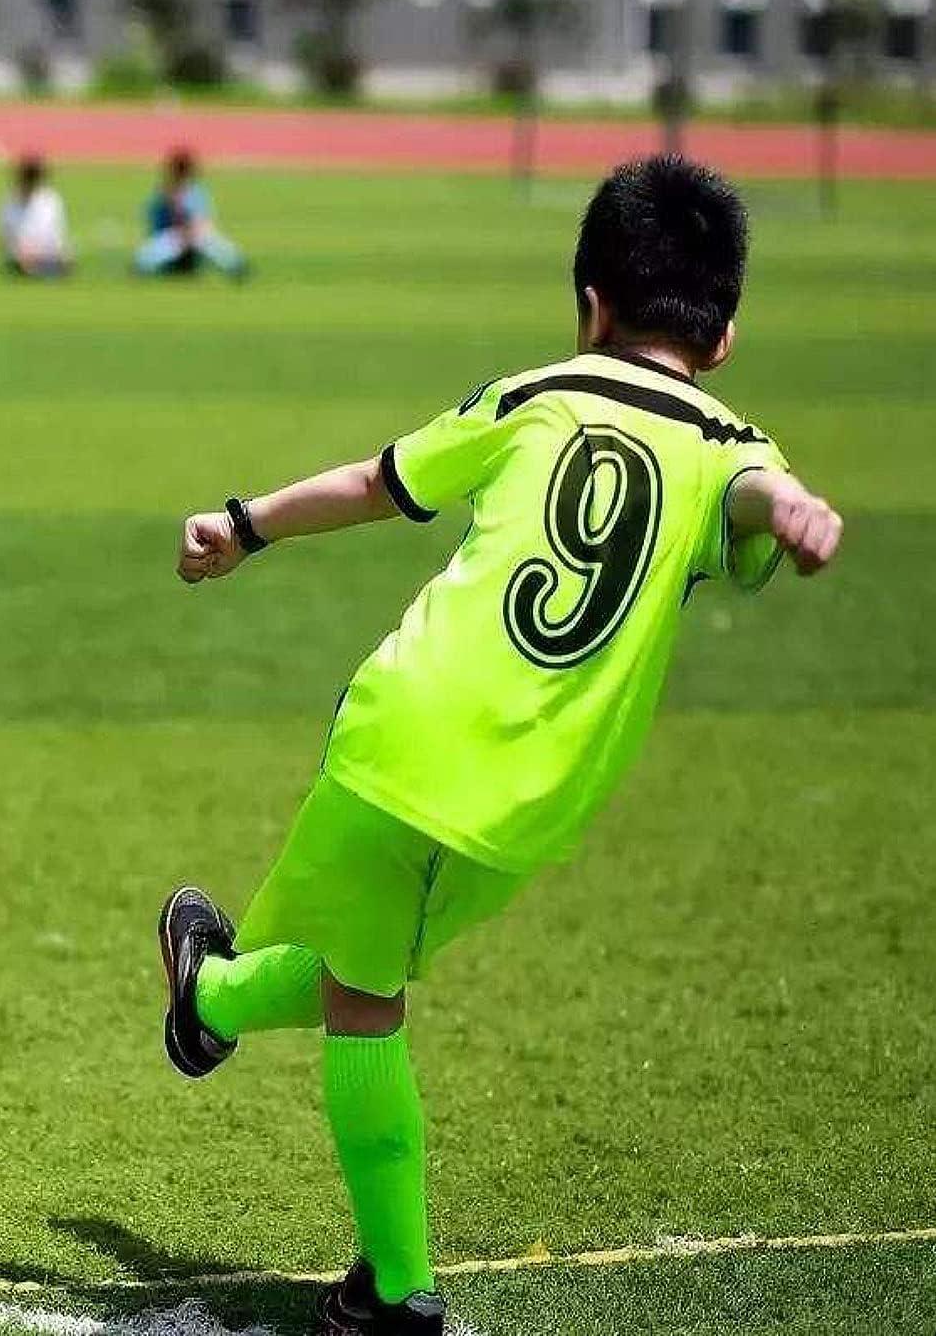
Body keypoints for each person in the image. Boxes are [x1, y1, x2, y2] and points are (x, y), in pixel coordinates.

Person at [159, 157, 843, 1336]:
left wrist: (243, 525)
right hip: (538, 803)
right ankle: (378, 1268)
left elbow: (381, 482)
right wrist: (785, 509)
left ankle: (226, 1023)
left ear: (589, 300)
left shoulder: (539, 393)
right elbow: (750, 495)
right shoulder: (735, 441)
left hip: (405, 736)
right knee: (369, 974)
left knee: (351, 984)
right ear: (724, 336)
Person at [134, 148, 246, 278]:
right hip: (174, 238)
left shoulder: (194, 192)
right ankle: (234, 264)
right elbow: (157, 226)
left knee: (205, 239)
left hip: (192, 238)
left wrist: (189, 233)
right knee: (163, 247)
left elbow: (202, 223)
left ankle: (234, 265)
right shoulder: (165, 193)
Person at [0, 154, 72, 277]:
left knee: (63, 260)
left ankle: (43, 270)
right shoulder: (9, 200)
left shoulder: (49, 199)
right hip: (20, 255)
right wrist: (20, 250)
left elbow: (54, 234)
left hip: (46, 253)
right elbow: (4, 236)